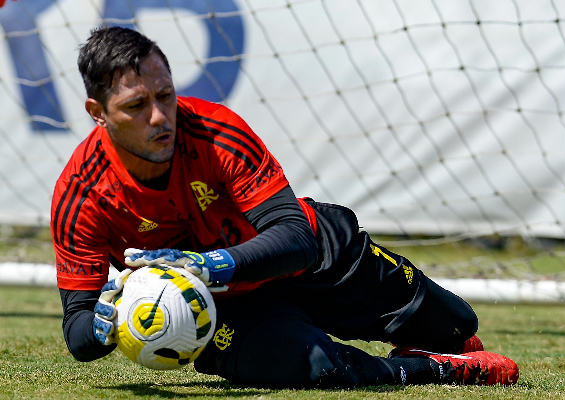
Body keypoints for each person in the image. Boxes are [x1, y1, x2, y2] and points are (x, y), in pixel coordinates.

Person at [51, 25, 519, 389]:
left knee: (458, 325)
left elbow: (296, 236)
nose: (159, 117)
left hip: (313, 261)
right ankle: (434, 370)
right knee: (320, 369)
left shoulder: (214, 130)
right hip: (223, 314)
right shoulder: (79, 195)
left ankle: (444, 344)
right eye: (136, 106)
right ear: (97, 112)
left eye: (166, 96)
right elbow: (77, 331)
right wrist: (99, 327)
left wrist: (205, 265)